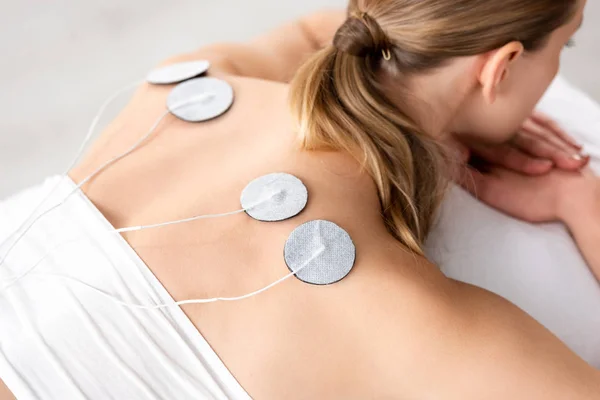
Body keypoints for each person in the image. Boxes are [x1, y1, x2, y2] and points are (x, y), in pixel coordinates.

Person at [1, 0, 599, 398]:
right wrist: (581, 204)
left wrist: (456, 95)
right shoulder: (393, 311)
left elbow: (339, 31)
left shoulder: (191, 84)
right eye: (563, 47)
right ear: (503, 66)